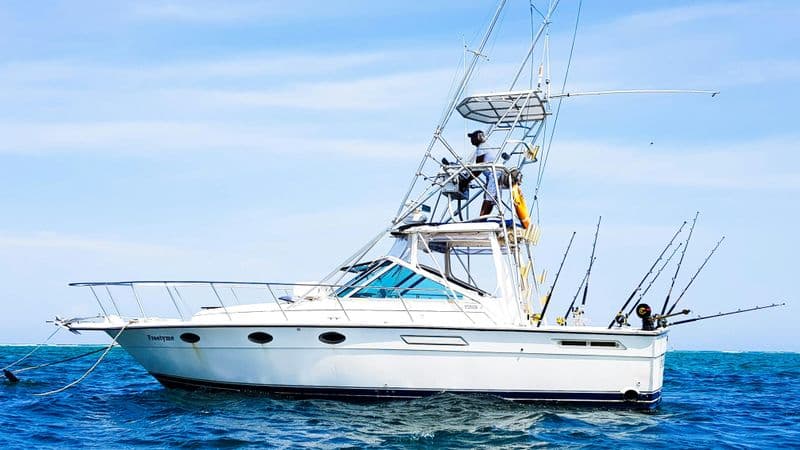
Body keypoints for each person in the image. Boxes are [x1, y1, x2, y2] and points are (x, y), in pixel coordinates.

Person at [467, 130, 498, 216]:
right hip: (493, 174)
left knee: (489, 197)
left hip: (493, 174)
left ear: (478, 137)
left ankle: (482, 219)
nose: (471, 140)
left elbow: (478, 168)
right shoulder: (484, 146)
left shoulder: (482, 147)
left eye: (473, 137)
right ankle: (484, 218)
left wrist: (466, 180)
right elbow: (479, 167)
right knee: (490, 197)